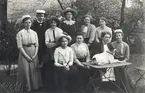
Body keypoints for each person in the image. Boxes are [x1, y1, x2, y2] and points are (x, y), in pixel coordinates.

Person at [16, 15, 42, 92]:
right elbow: (20, 46)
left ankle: (35, 86)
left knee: (34, 69)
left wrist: (35, 54)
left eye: (29, 22)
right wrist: (26, 56)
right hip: (24, 52)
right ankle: (27, 87)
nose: (28, 24)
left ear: (31, 23)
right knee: (26, 69)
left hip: (34, 52)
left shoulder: (34, 33)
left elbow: (37, 44)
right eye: (26, 23)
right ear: (23, 23)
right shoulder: (20, 33)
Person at [45, 17, 64, 88]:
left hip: (59, 48)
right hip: (51, 50)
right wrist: (54, 44)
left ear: (56, 23)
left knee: (59, 63)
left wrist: (55, 44)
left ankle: (60, 82)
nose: (53, 24)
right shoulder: (47, 31)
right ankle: (53, 83)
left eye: (54, 23)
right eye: (51, 23)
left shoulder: (60, 30)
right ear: (50, 24)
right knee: (52, 64)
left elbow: (62, 40)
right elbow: (47, 43)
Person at [31, 10, 49, 83]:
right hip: (37, 45)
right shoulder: (33, 25)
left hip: (45, 45)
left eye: (42, 16)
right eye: (39, 16)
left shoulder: (46, 24)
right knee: (37, 60)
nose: (41, 17)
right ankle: (37, 79)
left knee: (44, 60)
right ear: (37, 16)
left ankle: (44, 78)